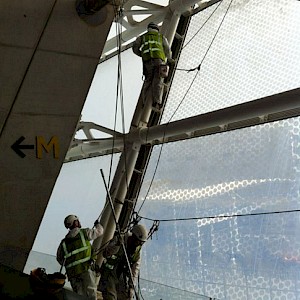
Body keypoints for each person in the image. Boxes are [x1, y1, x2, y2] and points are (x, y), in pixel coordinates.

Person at [56, 214, 103, 300]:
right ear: (75, 223)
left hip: (72, 274)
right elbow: (100, 231)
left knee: (78, 296)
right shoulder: (85, 233)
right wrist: (97, 224)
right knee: (91, 293)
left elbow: (59, 259)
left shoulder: (64, 242)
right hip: (85, 269)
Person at [99, 224, 148, 300]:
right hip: (110, 274)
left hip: (122, 277)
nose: (140, 244)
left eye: (142, 243)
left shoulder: (137, 251)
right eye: (139, 242)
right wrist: (117, 246)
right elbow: (105, 253)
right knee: (111, 297)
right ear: (133, 237)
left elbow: (135, 270)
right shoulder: (120, 239)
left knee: (126, 297)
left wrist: (131, 287)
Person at [132, 22, 173, 106]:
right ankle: (157, 102)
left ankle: (145, 102)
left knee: (148, 80)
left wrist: (142, 54)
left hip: (147, 61)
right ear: (157, 29)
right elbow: (167, 49)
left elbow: (135, 48)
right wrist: (168, 59)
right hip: (159, 60)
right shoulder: (161, 37)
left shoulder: (142, 37)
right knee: (158, 80)